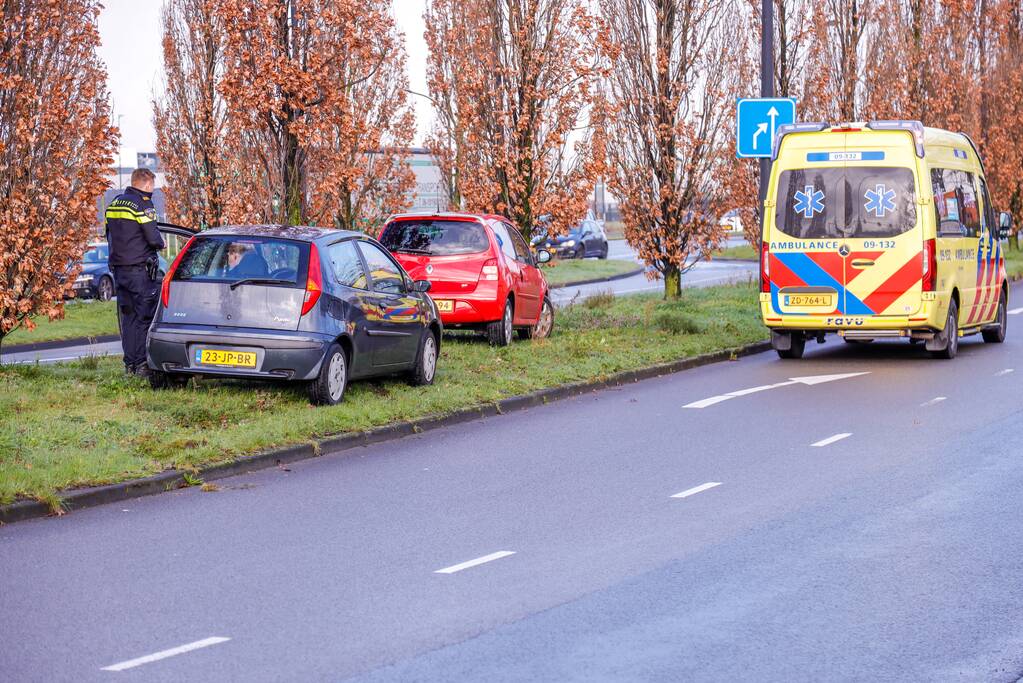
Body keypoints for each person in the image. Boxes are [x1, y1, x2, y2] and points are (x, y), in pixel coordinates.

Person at [105, 168, 164, 376]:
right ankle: (141, 364)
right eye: (152, 186)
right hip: (140, 271)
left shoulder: (113, 204)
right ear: (147, 184)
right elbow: (154, 238)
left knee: (127, 318)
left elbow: (109, 235)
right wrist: (161, 244)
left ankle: (129, 364)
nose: (153, 190)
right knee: (143, 317)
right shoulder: (143, 205)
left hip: (119, 271)